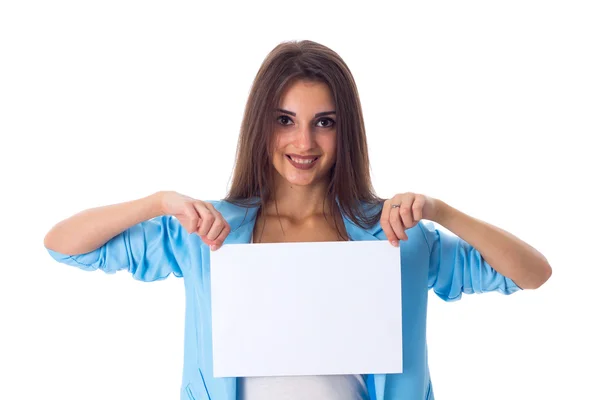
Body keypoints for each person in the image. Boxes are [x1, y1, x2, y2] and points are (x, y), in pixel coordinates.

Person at [44, 40, 552, 400]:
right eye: (285, 120)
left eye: (323, 123)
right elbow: (64, 245)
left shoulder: (395, 238)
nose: (303, 143)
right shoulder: (209, 233)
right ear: (260, 126)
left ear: (344, 130)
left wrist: (438, 211)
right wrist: (158, 202)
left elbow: (532, 273)